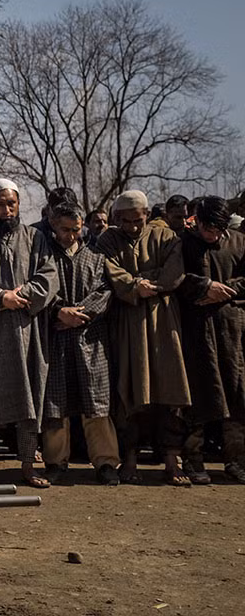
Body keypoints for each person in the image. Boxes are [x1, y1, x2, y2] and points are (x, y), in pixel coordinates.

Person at [0, 179, 58, 488]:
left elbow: (48, 277)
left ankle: (28, 466)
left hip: (26, 332)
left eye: (12, 203)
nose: (7, 209)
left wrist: (23, 294)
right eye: (0, 204)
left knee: (29, 398)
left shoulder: (35, 238)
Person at [97, 190, 191, 486]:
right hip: (127, 321)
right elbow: (110, 271)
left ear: (147, 215)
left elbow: (174, 273)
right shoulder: (107, 240)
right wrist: (134, 285)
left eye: (138, 221)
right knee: (130, 389)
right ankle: (130, 458)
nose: (134, 227)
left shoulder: (167, 238)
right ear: (116, 219)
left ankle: (171, 460)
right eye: (127, 222)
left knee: (170, 388)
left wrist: (146, 280)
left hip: (163, 321)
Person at [41, 203, 120, 486]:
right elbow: (40, 290)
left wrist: (82, 314)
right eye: (65, 229)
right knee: (55, 406)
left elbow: (105, 291)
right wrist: (58, 311)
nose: (70, 235)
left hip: (91, 341)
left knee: (97, 405)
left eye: (76, 230)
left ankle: (106, 462)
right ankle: (55, 461)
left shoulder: (96, 256)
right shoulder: (44, 255)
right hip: (57, 340)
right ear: (53, 225)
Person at [176, 196, 245, 485]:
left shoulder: (240, 243)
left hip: (233, 332)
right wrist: (203, 286)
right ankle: (193, 459)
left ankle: (236, 460)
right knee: (199, 396)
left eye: (218, 230)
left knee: (237, 395)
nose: (212, 235)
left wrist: (224, 289)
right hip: (196, 333)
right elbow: (174, 279)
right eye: (207, 229)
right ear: (197, 221)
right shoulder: (182, 243)